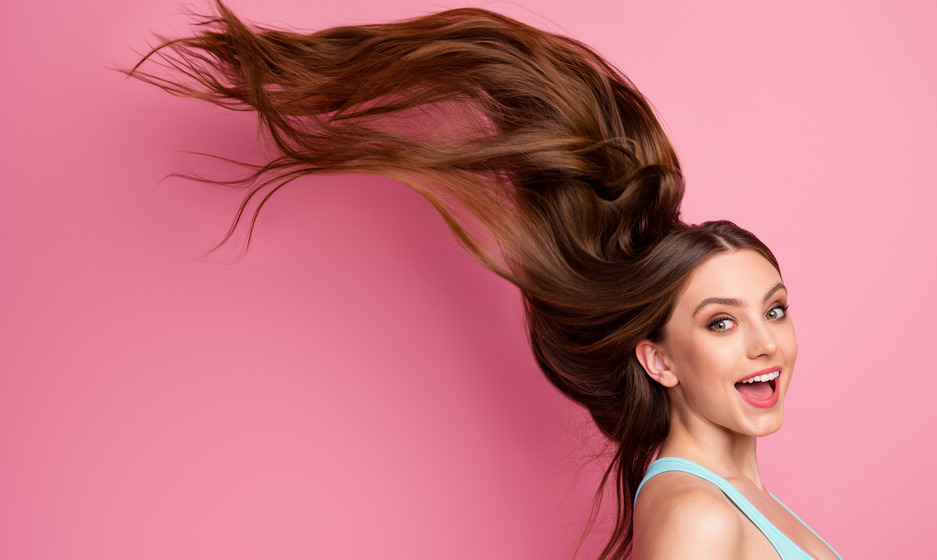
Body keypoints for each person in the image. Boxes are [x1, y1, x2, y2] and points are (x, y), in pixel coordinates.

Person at [130, 3, 841, 558]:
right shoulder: (696, 518)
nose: (763, 343)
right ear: (657, 358)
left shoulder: (738, 498)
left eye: (774, 310)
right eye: (721, 322)